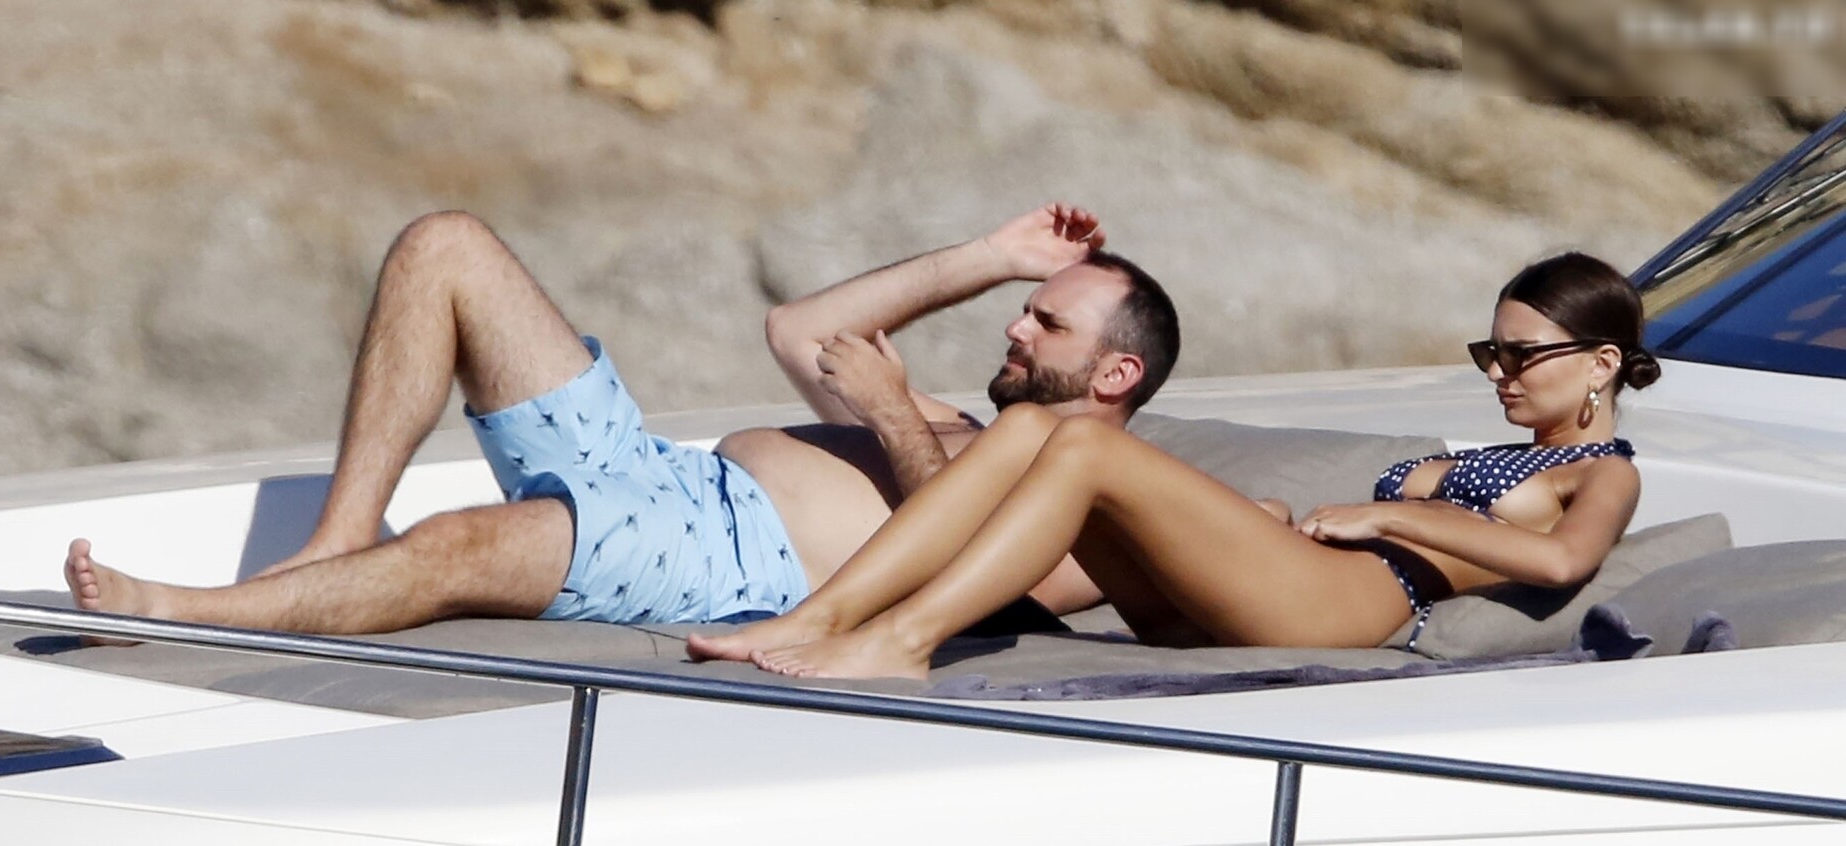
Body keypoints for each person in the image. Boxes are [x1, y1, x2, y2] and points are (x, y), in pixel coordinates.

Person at [62, 204, 1183, 638]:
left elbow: (993, 581)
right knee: (445, 247)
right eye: (1025, 308)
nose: (1016, 327)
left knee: (456, 546)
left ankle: (195, 614)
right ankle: (338, 536)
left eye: (1046, 322)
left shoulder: (1094, 501)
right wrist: (990, 256)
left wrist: (894, 416)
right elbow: (801, 329)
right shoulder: (962, 422)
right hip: (659, 472)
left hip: (719, 559)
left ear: (1117, 371)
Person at [696, 252, 1662, 680]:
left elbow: (1562, 562)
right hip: (1282, 588)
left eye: (1521, 355)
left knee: (1084, 441)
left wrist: (1387, 516)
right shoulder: (1501, 456)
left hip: (1343, 608)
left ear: (1601, 364)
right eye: (1490, 352)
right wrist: (1264, 520)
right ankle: (826, 615)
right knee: (1031, 429)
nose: (1498, 372)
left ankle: (906, 641)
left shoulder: (1604, 470)